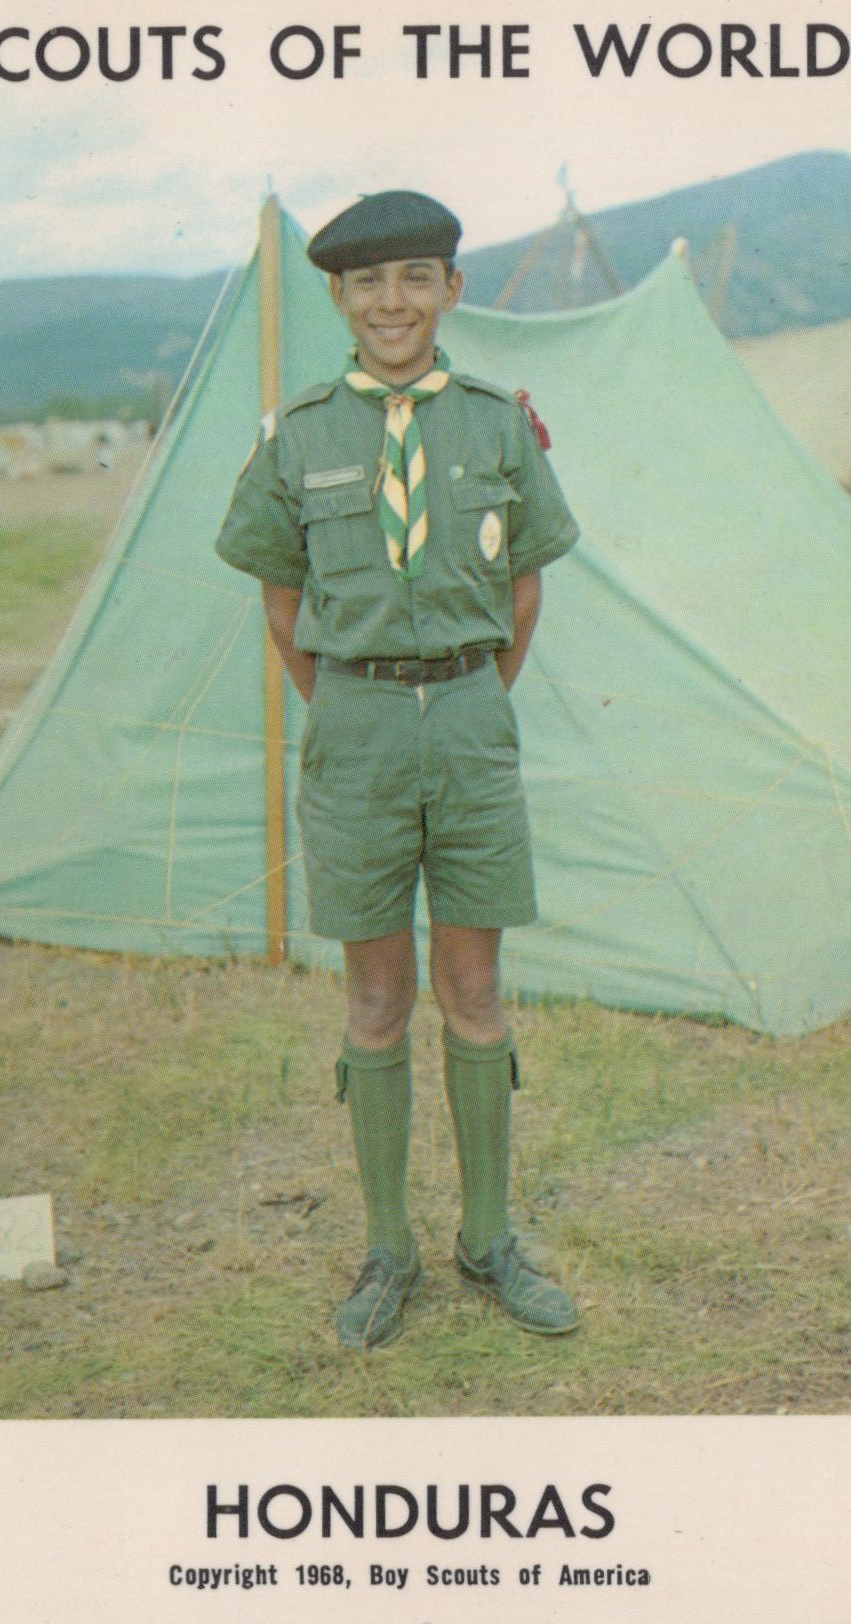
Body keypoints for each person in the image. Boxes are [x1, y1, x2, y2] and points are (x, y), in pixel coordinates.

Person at [217, 190, 581, 1352]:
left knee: (473, 988)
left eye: (416, 277)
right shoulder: (300, 434)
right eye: (369, 283)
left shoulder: (493, 422)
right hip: (358, 725)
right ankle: (389, 1250)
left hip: (471, 719)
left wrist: (464, 699)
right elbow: (282, 606)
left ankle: (487, 1238)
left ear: (452, 291)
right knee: (376, 997)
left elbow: (523, 588)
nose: (393, 301)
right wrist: (363, 707)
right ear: (337, 296)